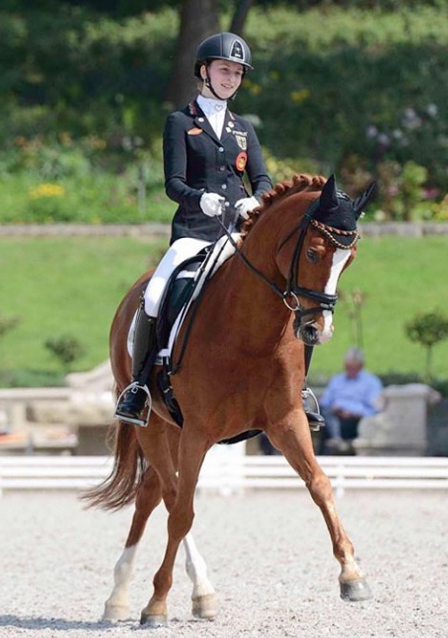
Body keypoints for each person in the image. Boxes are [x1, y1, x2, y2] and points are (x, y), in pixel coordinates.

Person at [114, 32, 272, 425]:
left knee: (283, 293)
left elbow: (263, 178)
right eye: (224, 70)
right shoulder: (180, 122)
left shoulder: (243, 129)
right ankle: (138, 386)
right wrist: (198, 198)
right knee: (153, 296)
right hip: (193, 232)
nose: (231, 78)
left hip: (238, 235)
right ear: (204, 71)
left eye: (237, 73)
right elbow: (173, 182)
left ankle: (296, 388)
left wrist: (258, 199)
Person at [318, 347, 383, 454]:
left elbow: (375, 408)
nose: (350, 370)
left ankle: (336, 440)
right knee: (324, 413)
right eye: (348, 367)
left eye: (354, 367)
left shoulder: (371, 382)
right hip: (334, 416)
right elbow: (325, 401)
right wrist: (335, 408)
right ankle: (336, 440)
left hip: (355, 420)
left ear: (361, 366)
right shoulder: (337, 380)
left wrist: (353, 413)